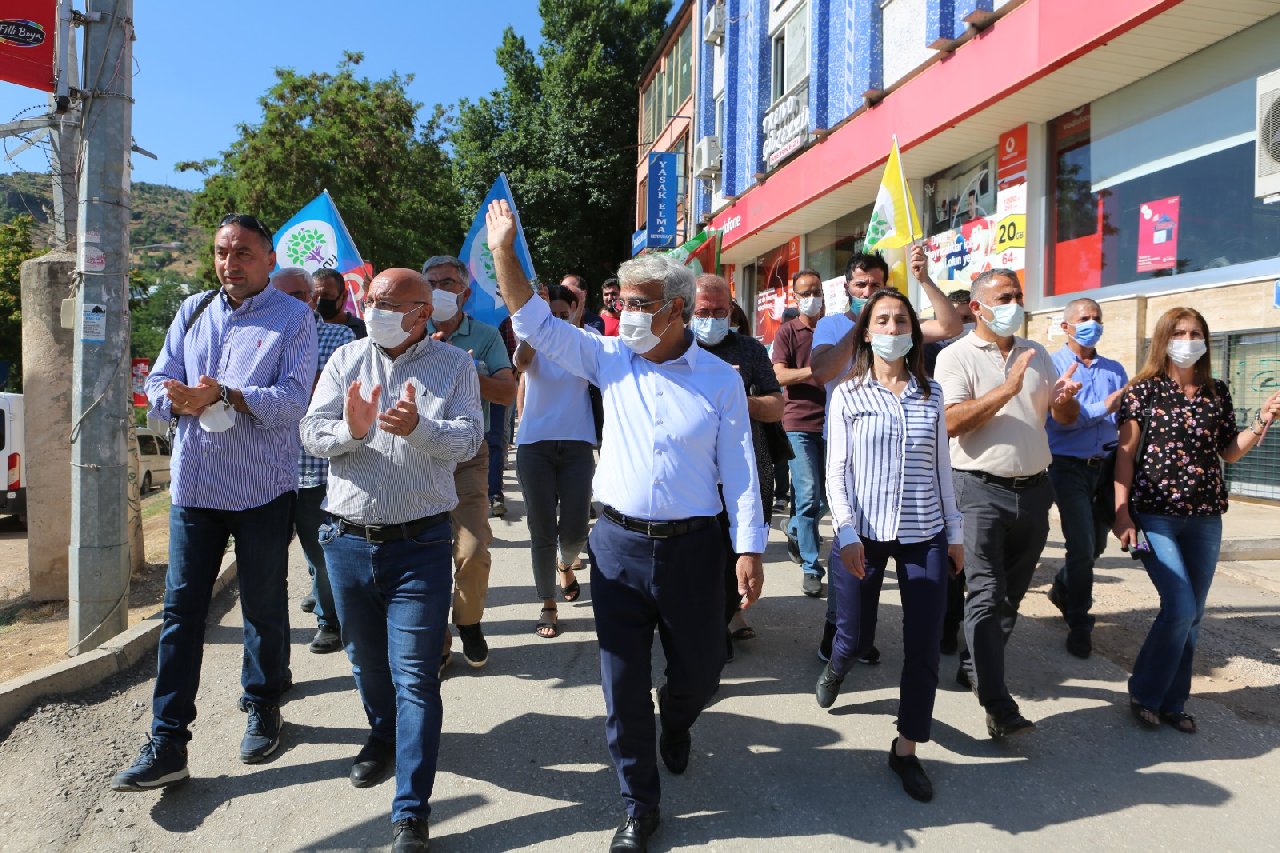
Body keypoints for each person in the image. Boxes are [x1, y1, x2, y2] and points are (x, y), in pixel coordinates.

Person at [487, 199, 765, 853]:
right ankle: (639, 802)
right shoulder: (610, 358)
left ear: (676, 309)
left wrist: (748, 548)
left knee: (703, 671)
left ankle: (679, 716)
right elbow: (533, 319)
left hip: (696, 548)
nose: (629, 312)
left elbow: (743, 471)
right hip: (615, 546)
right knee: (620, 680)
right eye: (626, 301)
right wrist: (505, 251)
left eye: (642, 303)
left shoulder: (720, 380)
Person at [111, 214, 317, 791]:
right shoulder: (193, 309)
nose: (231, 263)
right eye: (223, 252)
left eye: (244, 252)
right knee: (180, 615)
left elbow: (291, 402)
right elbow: (156, 381)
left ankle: (264, 704)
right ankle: (168, 739)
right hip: (195, 488)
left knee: (264, 607)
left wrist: (224, 393)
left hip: (261, 490)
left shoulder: (294, 317)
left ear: (269, 259)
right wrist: (172, 398)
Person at [301, 267, 484, 851]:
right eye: (371, 299)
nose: (374, 308)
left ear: (421, 312)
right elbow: (310, 431)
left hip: (421, 545)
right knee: (365, 662)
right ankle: (381, 736)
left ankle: (411, 809)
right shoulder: (346, 360)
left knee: (415, 676)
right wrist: (352, 431)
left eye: (388, 302)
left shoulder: (453, 367)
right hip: (347, 540)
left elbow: (470, 440)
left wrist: (420, 428)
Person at [815, 288, 963, 802]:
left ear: (913, 332)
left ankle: (906, 747)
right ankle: (836, 666)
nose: (893, 329)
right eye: (883, 320)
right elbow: (836, 472)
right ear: (867, 330)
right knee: (855, 637)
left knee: (923, 645)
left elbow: (942, 468)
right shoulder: (847, 395)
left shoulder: (932, 393)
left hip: (925, 532)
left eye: (901, 321)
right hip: (863, 535)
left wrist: (956, 531)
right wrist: (847, 531)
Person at [1113, 307, 1280, 734]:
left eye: (1196, 333)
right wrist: (1121, 511)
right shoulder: (1143, 392)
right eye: (1180, 332)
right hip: (1153, 518)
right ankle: (1145, 692)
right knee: (1180, 605)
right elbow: (1126, 455)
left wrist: (1262, 419)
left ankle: (1172, 701)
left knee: (1193, 613)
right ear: (1164, 339)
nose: (1189, 339)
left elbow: (1229, 451)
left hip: (1205, 519)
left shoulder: (1216, 391)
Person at [934, 268, 1081, 738]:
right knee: (984, 594)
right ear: (976, 307)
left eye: (1018, 294)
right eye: (1005, 296)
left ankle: (976, 666)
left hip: (1035, 491)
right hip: (978, 492)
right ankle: (999, 705)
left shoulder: (1036, 354)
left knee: (1010, 599)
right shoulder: (955, 356)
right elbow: (951, 422)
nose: (1015, 303)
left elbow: (1061, 417)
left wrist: (1063, 401)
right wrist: (1006, 390)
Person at [808, 247, 961, 598]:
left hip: (902, 446)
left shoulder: (897, 324)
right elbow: (821, 372)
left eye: (875, 285)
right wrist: (862, 327)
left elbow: (951, 325)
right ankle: (840, 632)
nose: (868, 292)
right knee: (854, 568)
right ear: (847, 287)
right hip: (852, 444)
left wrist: (923, 280)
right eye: (861, 285)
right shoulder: (832, 325)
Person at [420, 255, 518, 671]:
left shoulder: (485, 335)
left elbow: (506, 393)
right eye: (431, 282)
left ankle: (469, 622)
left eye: (447, 282)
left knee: (474, 549)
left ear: (464, 290)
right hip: (416, 456)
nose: (439, 289)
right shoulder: (406, 332)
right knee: (426, 554)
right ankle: (437, 641)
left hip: (466, 454)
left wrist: (459, 369)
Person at [693, 273, 784, 656]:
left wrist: (737, 397)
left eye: (719, 311)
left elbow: (777, 406)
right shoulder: (674, 349)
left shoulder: (749, 350)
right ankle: (703, 625)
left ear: (731, 311)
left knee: (737, 544)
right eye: (704, 311)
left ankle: (731, 612)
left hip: (747, 464)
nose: (712, 318)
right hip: (694, 469)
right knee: (699, 549)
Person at [270, 267, 355, 654]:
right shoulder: (261, 336)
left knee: (321, 548)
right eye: (280, 295)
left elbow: (323, 393)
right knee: (274, 565)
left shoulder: (338, 336)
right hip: (266, 468)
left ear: (312, 298)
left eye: (299, 295)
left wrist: (274, 392)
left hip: (312, 466)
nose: (290, 303)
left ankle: (330, 622)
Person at [1044, 298, 1128, 659]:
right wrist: (1104, 407)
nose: (1091, 324)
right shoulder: (1053, 367)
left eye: (1096, 318)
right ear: (1066, 326)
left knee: (1095, 546)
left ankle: (1062, 587)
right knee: (1080, 544)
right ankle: (1079, 619)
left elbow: (1125, 421)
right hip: (1066, 466)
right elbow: (1060, 420)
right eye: (1083, 319)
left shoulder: (1115, 369)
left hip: (1106, 466)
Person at [514, 284, 598, 638]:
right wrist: (539, 324)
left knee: (577, 526)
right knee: (542, 528)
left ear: (578, 309)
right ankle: (548, 602)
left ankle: (566, 563)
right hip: (535, 446)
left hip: (578, 444)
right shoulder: (533, 339)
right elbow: (520, 363)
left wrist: (569, 326)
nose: (559, 322)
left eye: (564, 314)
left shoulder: (589, 339)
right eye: (553, 316)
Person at [771, 270, 830, 599]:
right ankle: (811, 567)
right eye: (805, 293)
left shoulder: (833, 329)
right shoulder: (787, 332)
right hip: (798, 423)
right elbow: (780, 373)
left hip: (834, 423)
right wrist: (816, 371)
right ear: (795, 298)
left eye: (816, 291)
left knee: (825, 500)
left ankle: (793, 527)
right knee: (807, 496)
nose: (812, 297)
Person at [924, 288, 974, 655]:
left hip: (974, 465)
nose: (961, 328)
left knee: (965, 552)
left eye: (967, 321)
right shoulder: (926, 353)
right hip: (942, 464)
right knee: (950, 551)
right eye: (955, 321)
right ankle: (946, 624)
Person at [487, 316, 519, 519]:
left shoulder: (501, 318)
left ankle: (494, 494)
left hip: (494, 386)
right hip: (455, 390)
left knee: (495, 441)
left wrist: (504, 378)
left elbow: (512, 354)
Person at [315, 267, 367, 339]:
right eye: (314, 295)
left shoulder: (364, 331)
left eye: (326, 295)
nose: (319, 300)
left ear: (344, 296)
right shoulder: (304, 330)